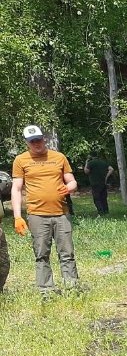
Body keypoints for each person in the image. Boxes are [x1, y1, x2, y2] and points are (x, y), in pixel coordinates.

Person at [10, 125, 80, 294]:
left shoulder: (59, 157)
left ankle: (72, 288)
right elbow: (16, 189)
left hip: (62, 213)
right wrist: (17, 217)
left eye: (39, 139)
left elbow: (72, 181)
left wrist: (70, 187)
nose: (37, 143)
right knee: (41, 255)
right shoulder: (21, 160)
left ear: (44, 139)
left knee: (67, 254)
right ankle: (46, 291)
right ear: (27, 143)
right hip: (37, 215)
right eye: (32, 141)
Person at [84, 151, 115, 216]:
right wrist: (106, 177)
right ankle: (106, 212)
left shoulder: (91, 163)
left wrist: (86, 162)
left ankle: (101, 212)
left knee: (97, 199)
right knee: (103, 198)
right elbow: (111, 169)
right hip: (103, 183)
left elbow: (86, 171)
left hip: (95, 183)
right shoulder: (103, 162)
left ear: (90, 156)